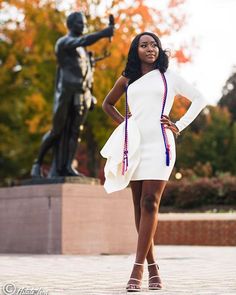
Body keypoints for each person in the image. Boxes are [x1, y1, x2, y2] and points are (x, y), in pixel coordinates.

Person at [101, 32, 207, 292]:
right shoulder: (128, 79)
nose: (150, 49)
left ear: (160, 49)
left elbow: (200, 99)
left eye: (154, 45)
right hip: (135, 146)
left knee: (150, 201)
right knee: (139, 205)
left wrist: (178, 125)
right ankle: (153, 267)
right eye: (144, 45)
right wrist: (126, 126)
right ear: (135, 50)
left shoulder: (168, 76)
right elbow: (107, 104)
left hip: (161, 144)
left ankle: (136, 268)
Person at [31, 12, 114, 178]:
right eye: (79, 23)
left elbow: (86, 72)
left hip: (81, 95)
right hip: (65, 94)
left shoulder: (83, 50)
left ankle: (67, 166)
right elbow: (81, 40)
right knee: (57, 130)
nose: (82, 25)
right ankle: (37, 163)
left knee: (76, 131)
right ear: (70, 24)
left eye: (83, 22)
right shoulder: (64, 42)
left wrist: (90, 93)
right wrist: (104, 33)